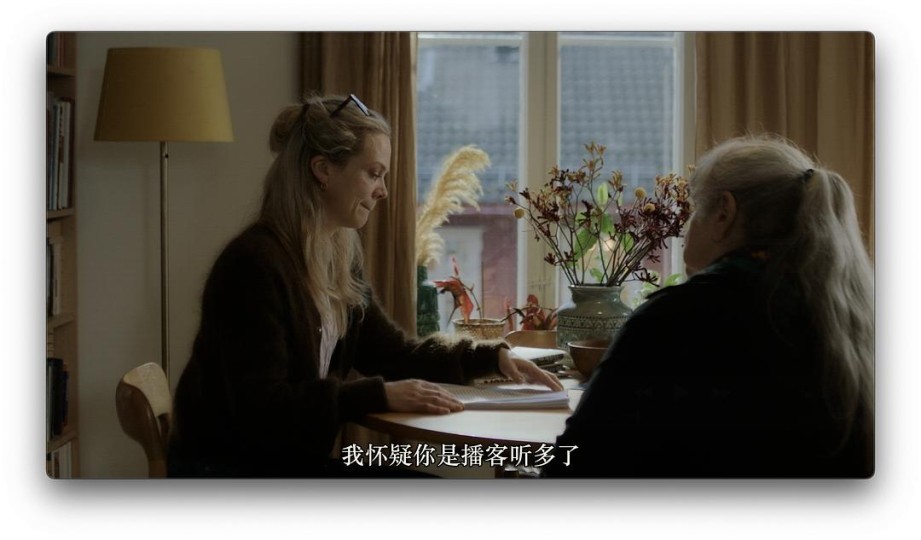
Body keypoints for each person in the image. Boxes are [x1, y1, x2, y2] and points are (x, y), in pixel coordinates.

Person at [167, 93, 562, 478]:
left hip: (291, 466)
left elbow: (394, 355)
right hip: (233, 473)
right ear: (323, 170)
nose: (383, 190)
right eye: (373, 173)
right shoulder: (252, 266)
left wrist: (490, 358)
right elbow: (262, 407)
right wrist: (376, 395)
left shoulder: (338, 261)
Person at [543, 134, 874, 478]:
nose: (686, 229)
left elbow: (577, 464)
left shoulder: (676, 319)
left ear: (723, 214)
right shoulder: (850, 314)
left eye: (695, 210)